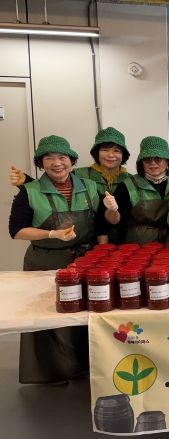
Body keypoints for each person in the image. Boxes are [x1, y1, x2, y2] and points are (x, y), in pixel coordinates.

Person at [8, 135, 100, 384]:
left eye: (62, 157)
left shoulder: (90, 187)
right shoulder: (29, 191)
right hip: (44, 263)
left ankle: (86, 368)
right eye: (49, 158)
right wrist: (51, 234)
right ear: (41, 163)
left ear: (72, 161)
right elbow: (16, 230)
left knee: (84, 316)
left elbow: (101, 222)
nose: (57, 163)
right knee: (48, 318)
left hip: (83, 262)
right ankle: (52, 373)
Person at [10, 127, 130, 243]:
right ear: (97, 153)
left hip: (123, 239)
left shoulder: (129, 180)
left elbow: (102, 219)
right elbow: (48, 187)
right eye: (105, 150)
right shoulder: (79, 174)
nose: (110, 155)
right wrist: (26, 181)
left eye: (116, 151)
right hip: (85, 243)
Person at [101, 136, 169, 244]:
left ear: (168, 162)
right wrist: (112, 210)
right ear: (141, 163)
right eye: (147, 159)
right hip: (138, 248)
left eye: (158, 158)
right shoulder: (127, 186)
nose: (152, 163)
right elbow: (114, 221)